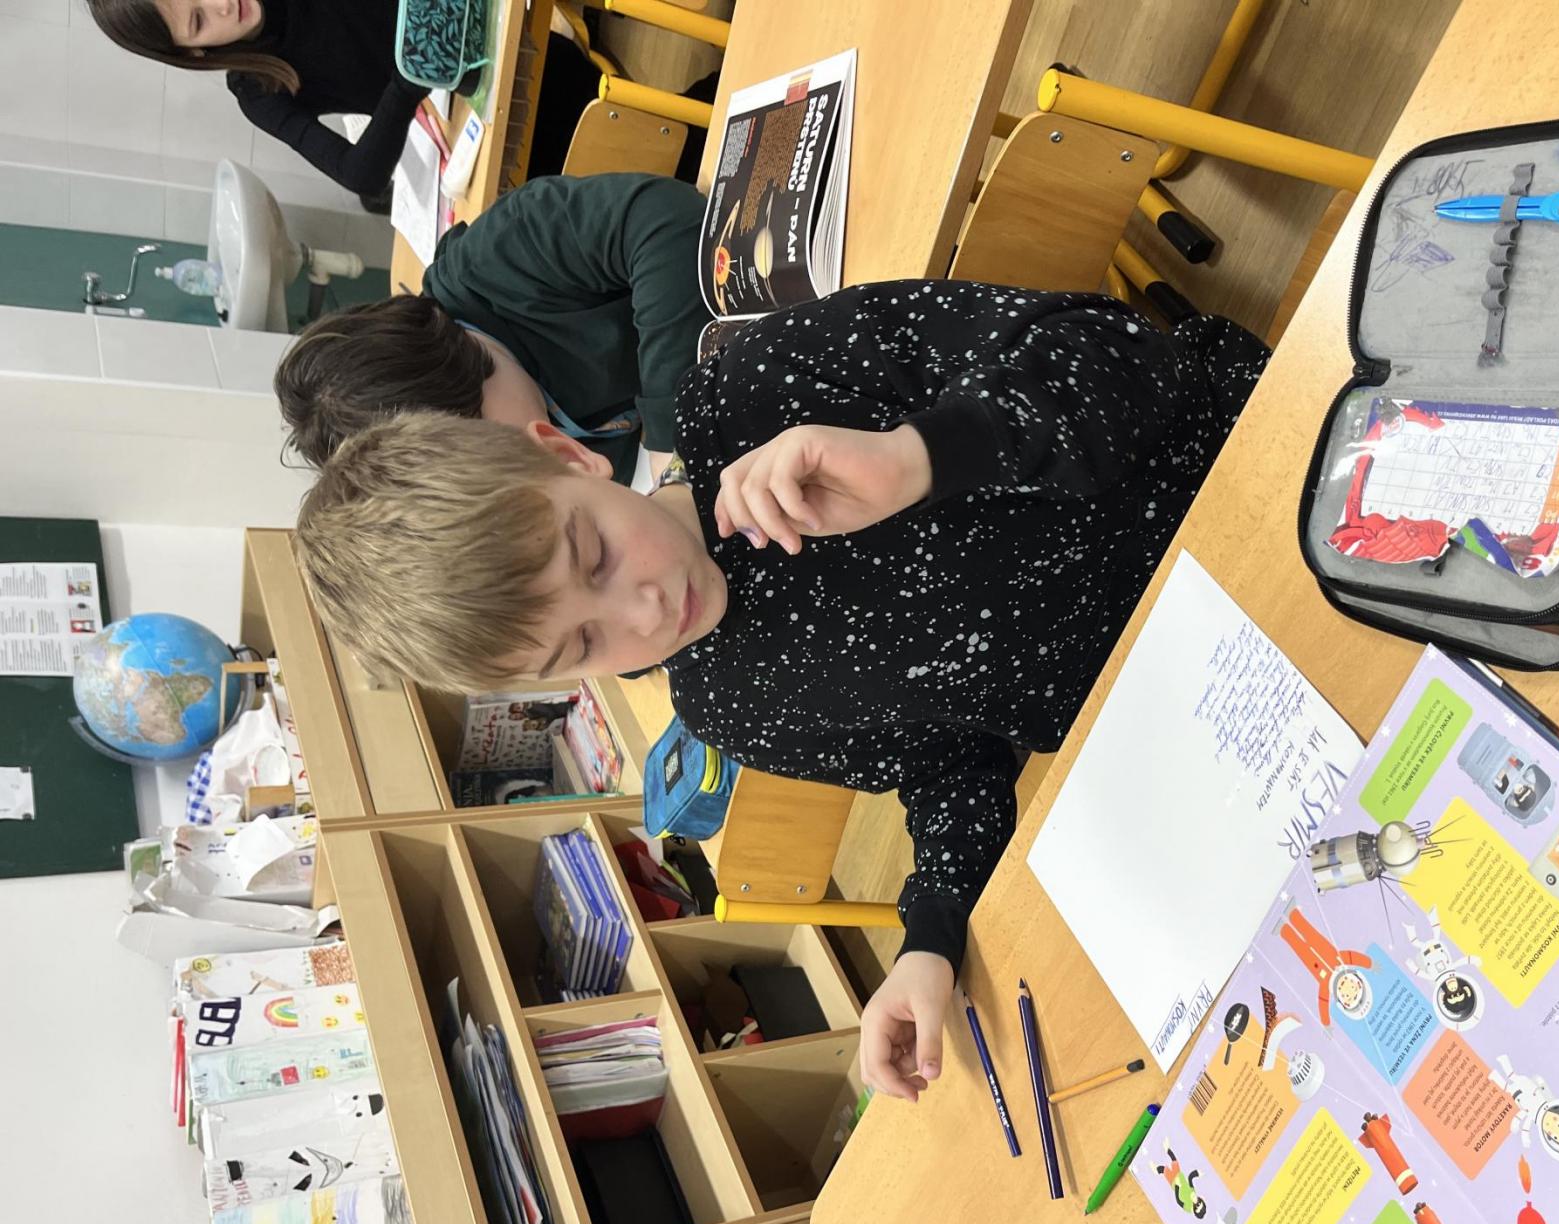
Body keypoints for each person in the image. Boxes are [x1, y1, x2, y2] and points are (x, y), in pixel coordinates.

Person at [293, 279, 1268, 1104]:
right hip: (1204, 702)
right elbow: (951, 766)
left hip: (1252, 483)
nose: (643, 612)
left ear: (568, 455)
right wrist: (930, 939)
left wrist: (921, 456)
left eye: (593, 553)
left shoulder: (761, 390)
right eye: (582, 644)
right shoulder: (729, 706)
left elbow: (1126, 356)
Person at [274, 172, 706, 485]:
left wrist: (670, 441)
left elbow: (669, 220)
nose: (519, 460)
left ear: (462, 350)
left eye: (492, 439)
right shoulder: (473, 474)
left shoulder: (501, 254)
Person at [84, 0, 603, 204]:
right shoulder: (257, 89)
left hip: (520, 40)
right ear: (193, 52)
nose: (222, 5)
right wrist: (409, 78)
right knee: (553, 182)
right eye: (199, 21)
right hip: (494, 109)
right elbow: (361, 176)